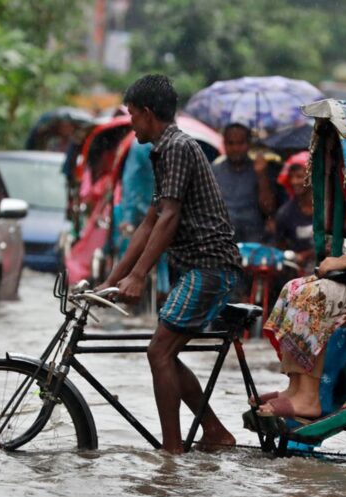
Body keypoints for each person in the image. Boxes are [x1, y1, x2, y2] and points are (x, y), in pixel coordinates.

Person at [97, 75, 242, 454]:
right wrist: (111, 280)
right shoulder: (163, 150)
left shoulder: (177, 147)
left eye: (131, 115)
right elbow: (150, 220)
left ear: (146, 113)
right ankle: (213, 431)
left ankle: (172, 453)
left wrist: (139, 276)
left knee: (158, 352)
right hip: (196, 266)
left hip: (210, 265)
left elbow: (169, 217)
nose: (130, 123)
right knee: (166, 352)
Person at [258, 247, 346, 419]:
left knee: (314, 298)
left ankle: (308, 399)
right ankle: (295, 388)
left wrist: (343, 262)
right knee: (293, 288)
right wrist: (344, 258)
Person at [212, 123, 276, 243]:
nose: (236, 148)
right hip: (224, 237)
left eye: (240, 143)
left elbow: (268, 208)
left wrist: (261, 176)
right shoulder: (215, 170)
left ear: (249, 144)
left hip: (254, 237)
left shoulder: (260, 168)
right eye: (231, 143)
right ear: (224, 144)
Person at [275, 151, 315, 272]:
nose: (294, 181)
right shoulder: (285, 214)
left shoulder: (328, 209)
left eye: (299, 176)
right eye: (291, 177)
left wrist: (310, 254)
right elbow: (280, 249)